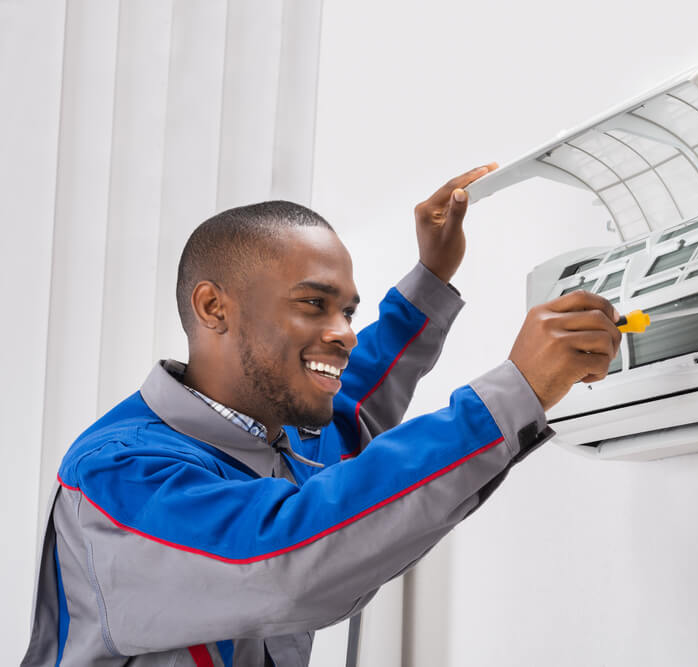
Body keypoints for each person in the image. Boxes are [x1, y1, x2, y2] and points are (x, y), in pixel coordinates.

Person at [22, 165, 622, 666]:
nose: (343, 334)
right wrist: (516, 390)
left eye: (347, 312)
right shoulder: (122, 476)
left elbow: (353, 404)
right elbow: (281, 559)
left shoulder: (277, 437)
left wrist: (431, 280)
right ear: (213, 307)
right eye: (313, 304)